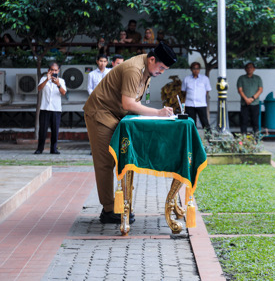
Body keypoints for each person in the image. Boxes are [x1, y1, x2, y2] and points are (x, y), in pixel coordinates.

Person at [83, 42, 177, 224]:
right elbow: (128, 103)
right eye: (161, 67)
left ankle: (121, 203)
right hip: (100, 113)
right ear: (152, 59)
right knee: (105, 162)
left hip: (116, 114)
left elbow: (133, 102)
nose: (162, 72)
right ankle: (109, 210)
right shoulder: (134, 69)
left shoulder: (147, 71)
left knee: (123, 158)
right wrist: (158, 113)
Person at [34, 62, 67, 155]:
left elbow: (64, 93)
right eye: (52, 70)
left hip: (56, 109)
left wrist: (58, 84)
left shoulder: (61, 81)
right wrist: (46, 80)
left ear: (58, 71)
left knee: (55, 130)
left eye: (55, 70)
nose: (54, 72)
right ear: (49, 70)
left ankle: (53, 149)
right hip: (45, 108)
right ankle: (40, 149)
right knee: (42, 130)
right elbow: (39, 88)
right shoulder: (43, 79)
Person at [181, 62, 212, 130]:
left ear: (200, 69)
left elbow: (207, 91)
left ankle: (208, 137)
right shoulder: (186, 79)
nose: (196, 70)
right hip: (190, 104)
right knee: (191, 122)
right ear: (191, 69)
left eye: (197, 68)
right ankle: (192, 138)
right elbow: (184, 91)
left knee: (204, 122)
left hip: (201, 104)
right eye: (194, 68)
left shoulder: (205, 79)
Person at [237, 62, 263, 135]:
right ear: (245, 69)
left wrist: (252, 98)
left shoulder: (258, 78)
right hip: (244, 103)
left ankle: (256, 138)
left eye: (251, 67)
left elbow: (260, 90)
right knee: (243, 121)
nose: (249, 69)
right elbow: (240, 90)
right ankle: (243, 138)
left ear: (254, 69)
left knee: (255, 122)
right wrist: (246, 99)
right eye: (247, 67)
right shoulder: (241, 78)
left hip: (255, 103)